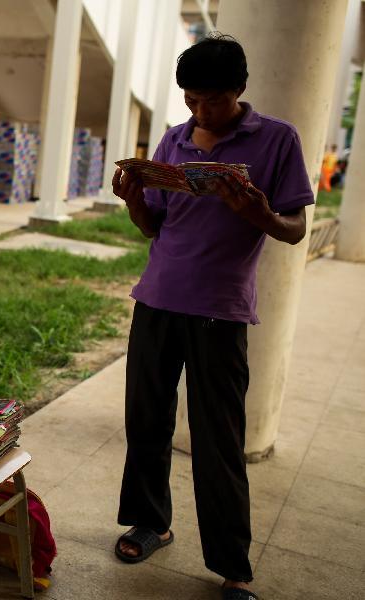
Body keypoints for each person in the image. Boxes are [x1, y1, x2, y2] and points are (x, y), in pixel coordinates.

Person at [110, 34, 312, 600]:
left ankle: (232, 564)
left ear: (240, 90)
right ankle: (151, 522)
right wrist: (133, 197)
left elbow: (295, 229)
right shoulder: (174, 139)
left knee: (218, 439)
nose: (200, 112)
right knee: (146, 421)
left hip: (219, 313)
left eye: (212, 101)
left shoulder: (276, 140)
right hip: (156, 300)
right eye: (191, 100)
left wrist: (261, 212)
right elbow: (155, 228)